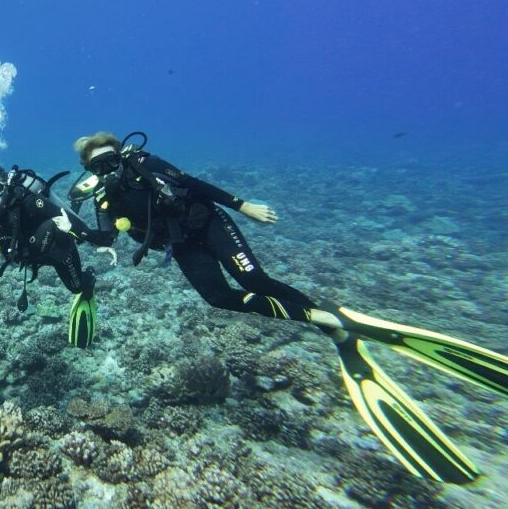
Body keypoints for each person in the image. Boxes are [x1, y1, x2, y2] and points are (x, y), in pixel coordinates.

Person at [71, 131, 508, 484]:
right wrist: (72, 229)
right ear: (88, 171)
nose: (105, 168)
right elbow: (106, 235)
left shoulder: (144, 163)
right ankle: (325, 319)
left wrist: (243, 205)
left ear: (120, 152)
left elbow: (193, 182)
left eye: (109, 159)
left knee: (253, 281)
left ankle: (326, 316)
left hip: (210, 223)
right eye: (95, 166)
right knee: (218, 297)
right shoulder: (102, 198)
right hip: (182, 244)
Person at [0, 164, 101, 348]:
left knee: (78, 287)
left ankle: (89, 275)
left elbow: (64, 217)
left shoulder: (29, 202)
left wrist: (93, 238)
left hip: (58, 251)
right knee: (75, 286)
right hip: (30, 258)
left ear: (6, 186)